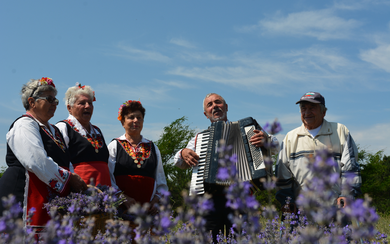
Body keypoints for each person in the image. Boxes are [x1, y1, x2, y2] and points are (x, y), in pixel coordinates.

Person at [173, 93, 280, 242]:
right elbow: (178, 162)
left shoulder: (247, 129)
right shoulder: (199, 138)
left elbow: (276, 147)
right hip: (209, 203)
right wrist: (183, 152)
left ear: (226, 107)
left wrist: (266, 140)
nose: (214, 106)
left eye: (218, 102)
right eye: (209, 105)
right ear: (206, 114)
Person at [0, 77, 87, 232]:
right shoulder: (24, 124)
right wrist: (69, 179)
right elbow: (35, 160)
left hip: (48, 200)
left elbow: (66, 162)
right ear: (32, 102)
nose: (54, 104)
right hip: (24, 195)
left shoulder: (55, 131)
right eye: (49, 99)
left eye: (55, 100)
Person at [275, 91, 362, 212]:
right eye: (303, 108)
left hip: (335, 209)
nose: (307, 112)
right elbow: (282, 175)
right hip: (301, 211)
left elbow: (350, 168)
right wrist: (286, 201)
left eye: (312, 108)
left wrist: (346, 195)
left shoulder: (340, 131)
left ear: (324, 112)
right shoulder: (290, 137)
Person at [108, 100, 168, 215]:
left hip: (147, 212)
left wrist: (156, 200)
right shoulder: (114, 146)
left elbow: (161, 182)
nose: (136, 121)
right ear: (122, 122)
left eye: (139, 118)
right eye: (131, 117)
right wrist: (123, 198)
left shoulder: (153, 147)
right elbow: (108, 179)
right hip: (121, 210)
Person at [56, 83, 111, 186]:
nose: (88, 106)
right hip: (81, 190)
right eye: (82, 103)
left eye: (90, 103)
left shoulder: (97, 131)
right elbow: (61, 162)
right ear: (69, 108)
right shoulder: (63, 127)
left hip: (104, 189)